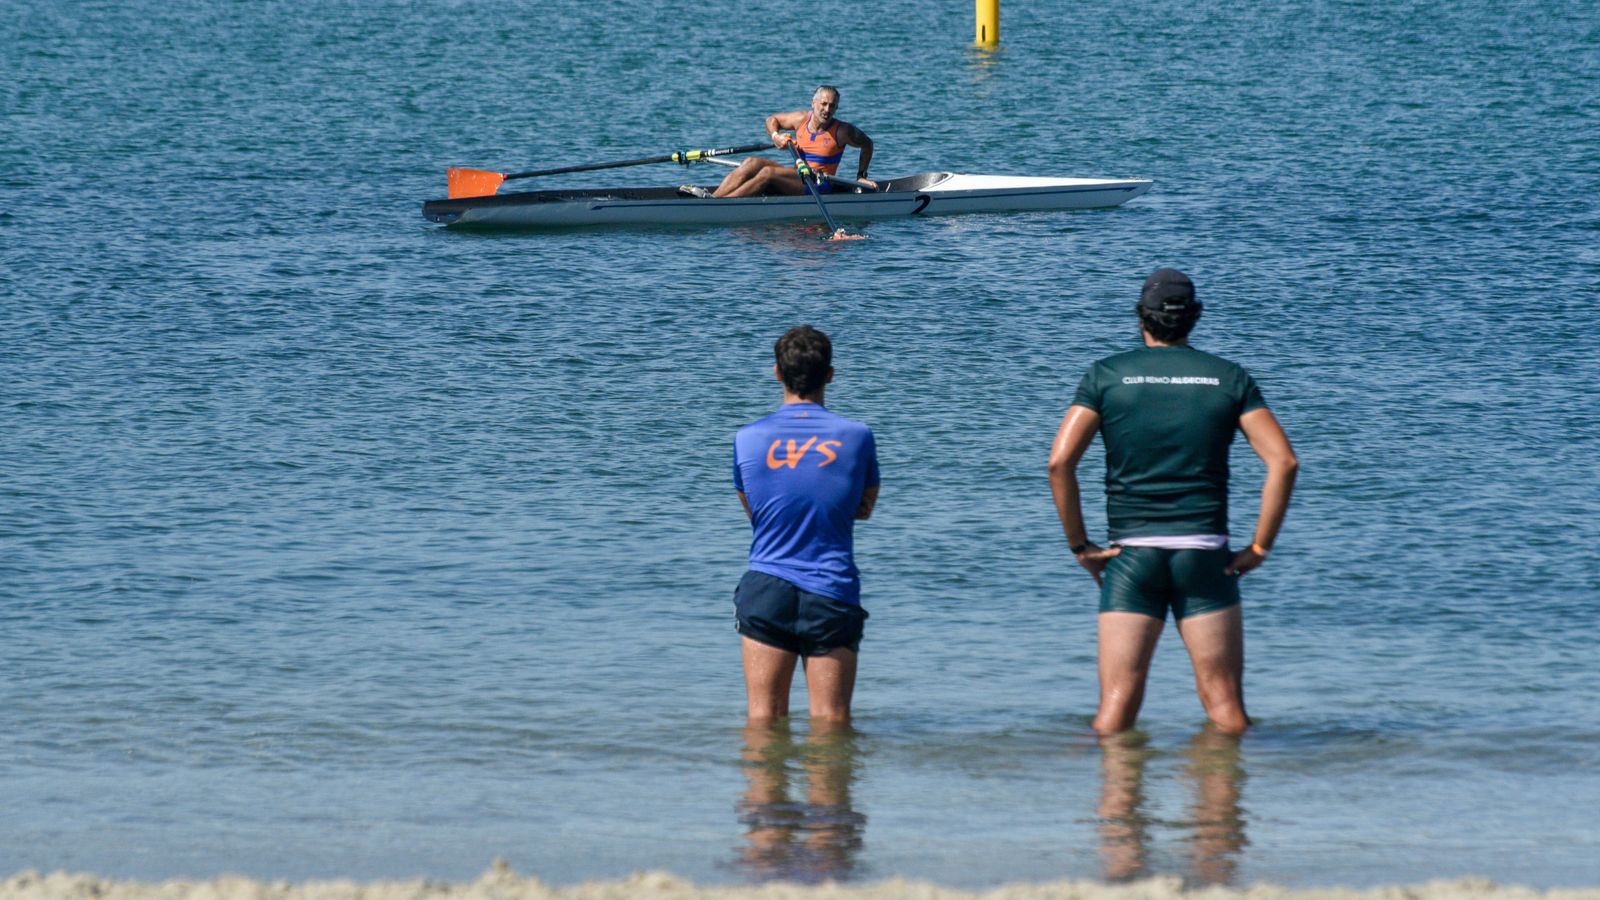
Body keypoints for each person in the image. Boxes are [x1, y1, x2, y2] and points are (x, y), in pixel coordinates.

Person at [1047, 269, 1298, 736]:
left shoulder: (1106, 376)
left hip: (1131, 557)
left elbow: (1060, 464)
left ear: (1140, 317)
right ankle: (1225, 803)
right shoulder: (1228, 377)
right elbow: (1282, 462)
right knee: (1225, 708)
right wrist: (1259, 548)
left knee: (1115, 712)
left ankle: (1117, 804)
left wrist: (1081, 546)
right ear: (1196, 318)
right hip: (1204, 554)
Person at [733, 326, 880, 722]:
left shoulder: (747, 438)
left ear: (777, 373)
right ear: (830, 375)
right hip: (831, 588)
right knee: (831, 721)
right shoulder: (858, 436)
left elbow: (756, 511)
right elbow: (864, 508)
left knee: (763, 719)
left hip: (767, 587)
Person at [687, 86, 876, 199]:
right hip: (797, 175)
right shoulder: (800, 119)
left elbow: (867, 144)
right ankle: (713, 199)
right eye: (823, 104)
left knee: (768, 173)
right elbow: (771, 120)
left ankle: (722, 206)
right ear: (813, 103)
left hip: (818, 184)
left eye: (832, 106)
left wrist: (861, 176)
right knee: (752, 162)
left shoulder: (842, 131)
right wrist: (776, 136)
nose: (827, 110)